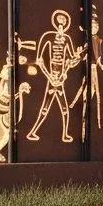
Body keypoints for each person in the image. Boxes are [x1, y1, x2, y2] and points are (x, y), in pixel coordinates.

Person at [27, 10, 85, 143]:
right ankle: (35, 132)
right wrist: (49, 76)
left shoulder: (67, 39)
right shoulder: (47, 36)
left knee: (58, 107)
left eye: (63, 23)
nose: (60, 26)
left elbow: (71, 60)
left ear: (65, 25)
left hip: (60, 77)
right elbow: (39, 60)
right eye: (58, 23)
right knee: (51, 107)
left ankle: (55, 134)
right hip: (52, 76)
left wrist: (78, 56)